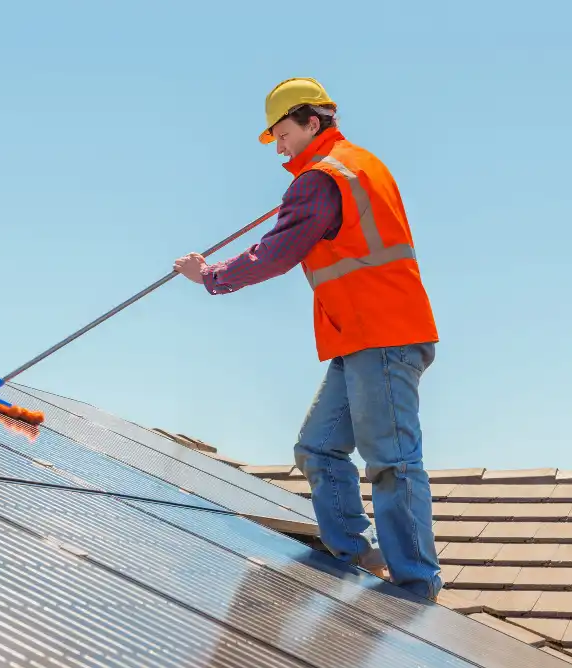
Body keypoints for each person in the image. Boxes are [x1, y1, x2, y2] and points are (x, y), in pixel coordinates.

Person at [172, 77, 442, 601]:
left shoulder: (322, 179)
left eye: (282, 133)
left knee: (391, 460)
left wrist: (209, 275)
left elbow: (274, 254)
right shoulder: (358, 164)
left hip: (380, 336)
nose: (278, 146)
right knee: (317, 447)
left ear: (311, 122)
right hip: (364, 336)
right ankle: (357, 555)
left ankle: (416, 587)